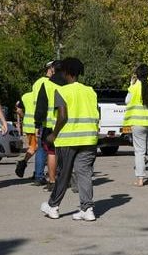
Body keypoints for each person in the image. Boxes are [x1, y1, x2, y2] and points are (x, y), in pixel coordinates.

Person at [40, 58, 99, 222]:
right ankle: (87, 209)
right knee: (84, 173)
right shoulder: (90, 91)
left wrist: (54, 134)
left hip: (68, 140)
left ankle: (53, 206)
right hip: (89, 139)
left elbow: (62, 116)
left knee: (63, 174)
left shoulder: (62, 91)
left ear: (66, 72)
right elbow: (97, 113)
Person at [33, 61, 61, 188]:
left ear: (53, 69)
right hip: (66, 124)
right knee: (65, 152)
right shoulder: (68, 83)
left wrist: (37, 124)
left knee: (50, 152)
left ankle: (50, 180)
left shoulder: (44, 84)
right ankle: (64, 178)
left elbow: (41, 106)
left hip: (49, 124)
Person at [14, 91, 38, 178]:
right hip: (37, 127)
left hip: (28, 126)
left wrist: (24, 117)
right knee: (38, 149)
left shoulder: (25, 96)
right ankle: (36, 171)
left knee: (34, 147)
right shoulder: (41, 95)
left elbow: (18, 110)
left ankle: (25, 164)